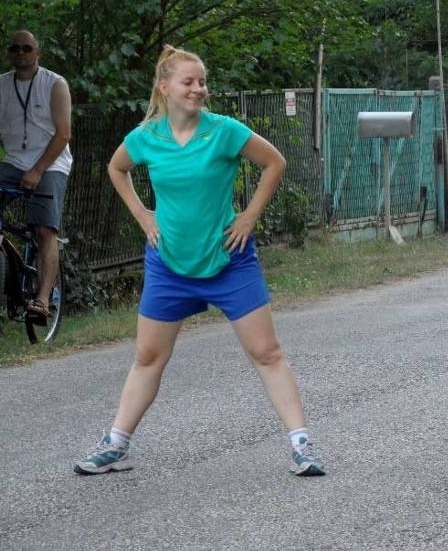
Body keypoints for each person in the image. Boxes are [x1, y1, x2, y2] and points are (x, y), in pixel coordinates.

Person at [73, 45, 325, 477]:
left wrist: (249, 216)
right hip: (168, 263)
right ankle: (115, 445)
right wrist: (142, 215)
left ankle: (302, 447)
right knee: (148, 356)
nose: (198, 89)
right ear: (164, 87)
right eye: (188, 82)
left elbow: (274, 163)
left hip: (229, 259)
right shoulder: (146, 137)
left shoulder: (223, 131)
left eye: (202, 82)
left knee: (266, 352)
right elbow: (116, 169)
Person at [0, 30, 72, 324]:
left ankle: (42, 300)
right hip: (14, 161)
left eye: (26, 48)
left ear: (37, 53)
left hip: (51, 163)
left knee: (44, 230)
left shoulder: (54, 84)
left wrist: (38, 170)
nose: (21, 53)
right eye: (15, 48)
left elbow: (64, 133)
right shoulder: (2, 85)